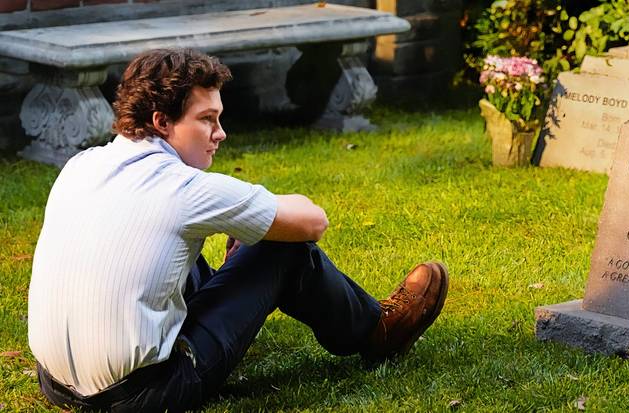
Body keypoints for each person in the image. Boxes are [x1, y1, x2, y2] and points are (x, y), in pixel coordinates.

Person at [27, 48, 449, 412]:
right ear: (161, 122)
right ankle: (377, 330)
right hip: (145, 394)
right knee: (282, 250)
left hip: (57, 384)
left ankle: (238, 290)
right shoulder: (184, 188)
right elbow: (312, 222)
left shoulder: (80, 166)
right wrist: (262, 229)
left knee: (159, 244)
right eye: (207, 119)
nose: (220, 133)